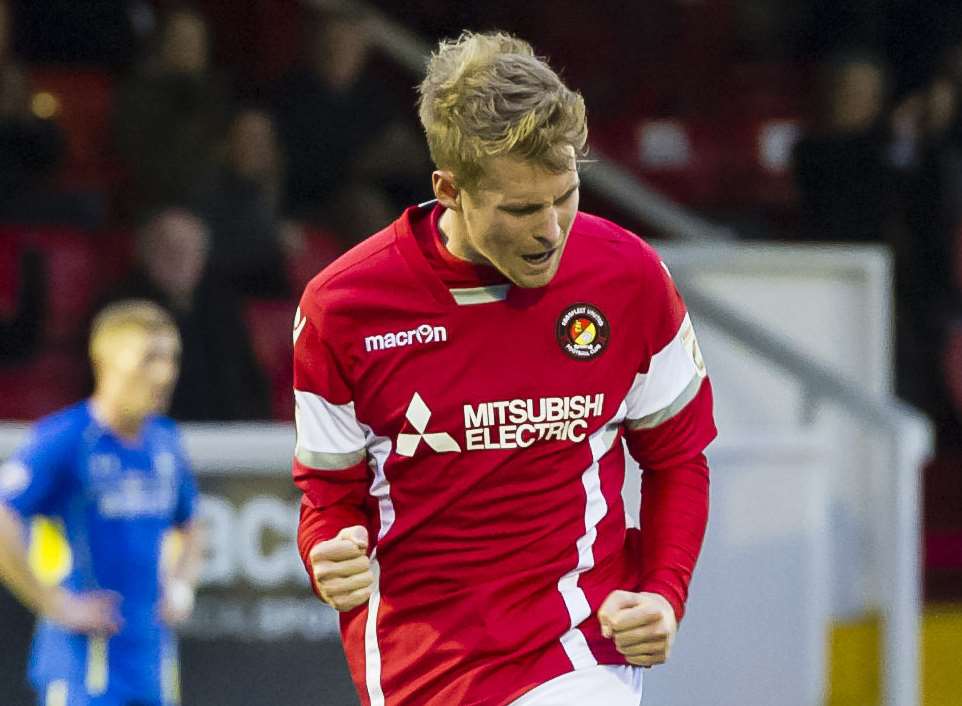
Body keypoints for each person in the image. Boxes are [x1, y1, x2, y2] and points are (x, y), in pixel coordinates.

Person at [291, 32, 716, 706]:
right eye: (521, 208)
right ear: (449, 190)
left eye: (566, 194)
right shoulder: (342, 309)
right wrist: (328, 553)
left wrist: (664, 593)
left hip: (578, 645)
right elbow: (331, 497)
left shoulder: (629, 277)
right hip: (419, 664)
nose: (552, 229)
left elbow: (678, 460)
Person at [0, 299, 203, 706]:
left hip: (152, 660)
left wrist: (182, 587)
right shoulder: (67, 438)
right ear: (106, 362)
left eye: (171, 357)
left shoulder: (165, 442)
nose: (165, 373)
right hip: (84, 662)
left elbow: (191, 523)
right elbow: (4, 515)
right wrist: (55, 604)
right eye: (149, 358)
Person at [102, 207, 271, 421]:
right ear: (145, 253)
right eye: (169, 250)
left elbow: (248, 386)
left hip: (227, 439)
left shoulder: (222, 307)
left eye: (190, 250)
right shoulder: (121, 311)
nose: (180, 259)